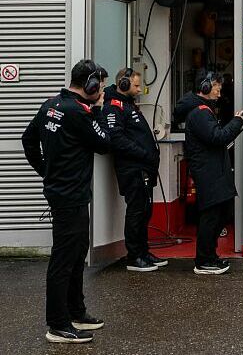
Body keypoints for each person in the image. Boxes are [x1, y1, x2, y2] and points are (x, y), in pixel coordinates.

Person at [22, 60, 111, 344]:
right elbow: (105, 143)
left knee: (75, 254)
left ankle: (76, 311)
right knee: (64, 259)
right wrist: (98, 111)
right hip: (70, 196)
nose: (102, 92)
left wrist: (46, 171)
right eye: (101, 86)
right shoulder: (79, 112)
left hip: (65, 193)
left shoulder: (51, 104)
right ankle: (58, 325)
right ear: (91, 85)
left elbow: (28, 140)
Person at [174, 72, 243, 274]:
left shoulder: (202, 111)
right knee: (211, 215)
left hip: (213, 170)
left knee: (220, 213)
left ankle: (210, 257)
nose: (219, 90)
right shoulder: (200, 112)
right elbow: (217, 137)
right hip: (208, 171)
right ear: (204, 87)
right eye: (215, 86)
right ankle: (204, 260)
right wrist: (236, 123)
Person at [102, 68, 165, 273]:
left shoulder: (128, 105)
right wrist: (144, 154)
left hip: (143, 168)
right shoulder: (114, 106)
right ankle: (134, 256)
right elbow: (117, 138)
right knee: (137, 211)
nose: (140, 89)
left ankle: (143, 252)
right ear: (124, 83)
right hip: (133, 169)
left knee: (145, 211)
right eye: (136, 85)